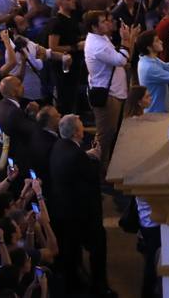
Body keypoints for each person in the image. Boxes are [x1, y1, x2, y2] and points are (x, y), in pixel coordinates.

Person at [48, 113, 111, 296]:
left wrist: (85, 155)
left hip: (63, 209)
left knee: (72, 252)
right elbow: (90, 177)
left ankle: (77, 281)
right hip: (81, 214)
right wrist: (96, 158)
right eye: (82, 125)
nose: (84, 127)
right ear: (76, 132)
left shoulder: (60, 145)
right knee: (98, 247)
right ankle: (100, 287)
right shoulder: (76, 156)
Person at [84, 9, 138, 172]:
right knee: (105, 136)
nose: (108, 23)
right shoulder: (97, 45)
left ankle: (108, 167)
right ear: (94, 27)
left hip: (114, 91)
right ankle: (100, 173)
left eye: (108, 19)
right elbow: (120, 60)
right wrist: (126, 40)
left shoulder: (101, 38)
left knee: (110, 133)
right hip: (108, 96)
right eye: (103, 21)